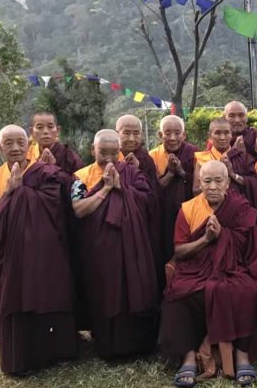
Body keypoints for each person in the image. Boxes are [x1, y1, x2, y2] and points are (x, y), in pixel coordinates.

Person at [0, 125, 77, 375]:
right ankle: (21, 359)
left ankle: (53, 352)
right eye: (8, 143)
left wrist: (55, 172)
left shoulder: (43, 171)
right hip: (12, 254)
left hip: (46, 248)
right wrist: (10, 193)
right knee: (14, 297)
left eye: (20, 142)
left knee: (49, 294)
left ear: (29, 144)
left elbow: (63, 201)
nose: (15, 148)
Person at [159, 160, 257, 388]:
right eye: (207, 181)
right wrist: (206, 240)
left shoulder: (240, 207)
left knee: (245, 290)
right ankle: (188, 357)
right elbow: (179, 250)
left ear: (228, 183)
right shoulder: (188, 209)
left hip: (234, 267)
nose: (213, 186)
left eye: (218, 180)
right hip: (196, 269)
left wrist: (224, 235)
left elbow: (250, 248)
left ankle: (241, 355)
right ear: (200, 183)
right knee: (178, 294)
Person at [72, 130, 159, 358]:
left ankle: (137, 344)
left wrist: (123, 188)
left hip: (131, 245)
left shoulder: (132, 173)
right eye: (103, 152)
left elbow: (149, 202)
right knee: (104, 291)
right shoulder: (81, 176)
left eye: (114, 153)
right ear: (93, 150)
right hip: (97, 248)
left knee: (131, 289)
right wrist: (106, 189)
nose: (110, 158)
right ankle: (106, 345)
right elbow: (78, 210)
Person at [149, 115, 198, 263]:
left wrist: (181, 171)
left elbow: (199, 185)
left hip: (189, 212)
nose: (172, 138)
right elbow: (151, 190)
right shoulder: (152, 156)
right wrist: (170, 173)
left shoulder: (194, 152)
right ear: (160, 135)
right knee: (163, 250)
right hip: (162, 214)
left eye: (177, 133)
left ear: (184, 135)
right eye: (167, 133)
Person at [193, 118, 233, 193]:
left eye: (226, 133)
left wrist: (232, 174)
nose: (222, 137)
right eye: (217, 133)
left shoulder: (239, 157)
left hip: (236, 203)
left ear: (231, 134)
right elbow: (195, 190)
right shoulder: (202, 159)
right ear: (209, 136)